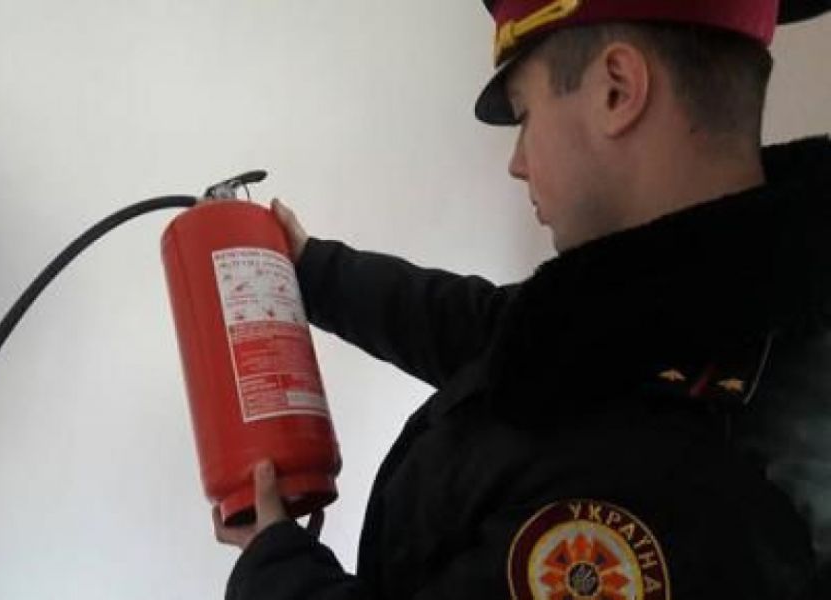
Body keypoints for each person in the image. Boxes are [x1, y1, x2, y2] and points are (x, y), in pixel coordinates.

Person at [215, 1, 831, 598]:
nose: (515, 163)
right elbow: (500, 333)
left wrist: (274, 566)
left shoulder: (679, 480)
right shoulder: (715, 305)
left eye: (525, 115)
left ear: (617, 90)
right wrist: (312, 270)